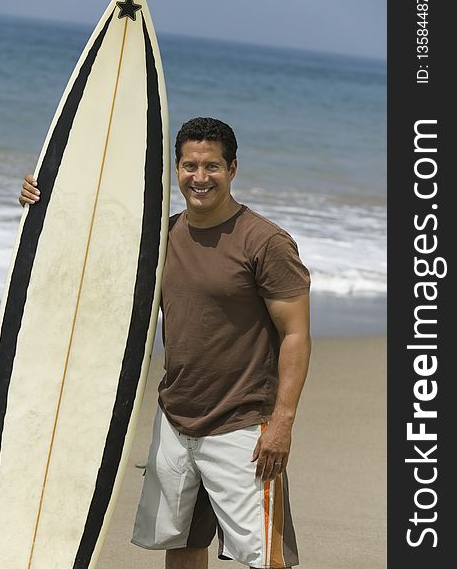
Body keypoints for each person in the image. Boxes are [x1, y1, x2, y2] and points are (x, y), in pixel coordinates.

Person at [19, 117, 311, 569]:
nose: (200, 178)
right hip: (176, 418)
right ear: (175, 169)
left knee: (265, 558)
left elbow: (295, 334)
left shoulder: (265, 242)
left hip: (242, 424)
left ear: (233, 168)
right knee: (183, 545)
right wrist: (42, 201)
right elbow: (92, 251)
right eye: (190, 166)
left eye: (212, 166)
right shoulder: (163, 236)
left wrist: (282, 423)